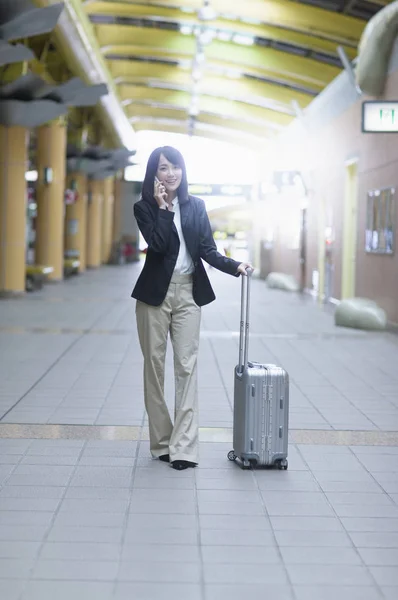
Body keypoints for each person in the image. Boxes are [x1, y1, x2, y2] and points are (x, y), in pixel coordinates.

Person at [131, 146, 252, 471]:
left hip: (188, 293)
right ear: (154, 174)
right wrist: (162, 208)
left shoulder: (196, 206)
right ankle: (161, 443)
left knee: (186, 367)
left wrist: (234, 265)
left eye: (176, 168)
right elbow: (157, 245)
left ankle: (183, 447)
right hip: (153, 295)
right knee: (154, 369)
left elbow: (207, 250)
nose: (171, 174)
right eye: (164, 168)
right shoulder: (143, 207)